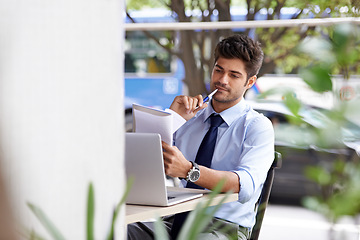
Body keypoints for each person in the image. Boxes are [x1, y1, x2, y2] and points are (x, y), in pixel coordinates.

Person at [127, 34, 274, 240]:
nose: (222, 80)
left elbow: (243, 185)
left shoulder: (257, 126)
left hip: (224, 228)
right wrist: (172, 118)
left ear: (250, 82)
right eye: (219, 70)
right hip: (176, 221)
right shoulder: (191, 116)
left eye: (234, 75)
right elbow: (144, 158)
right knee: (116, 230)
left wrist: (189, 171)